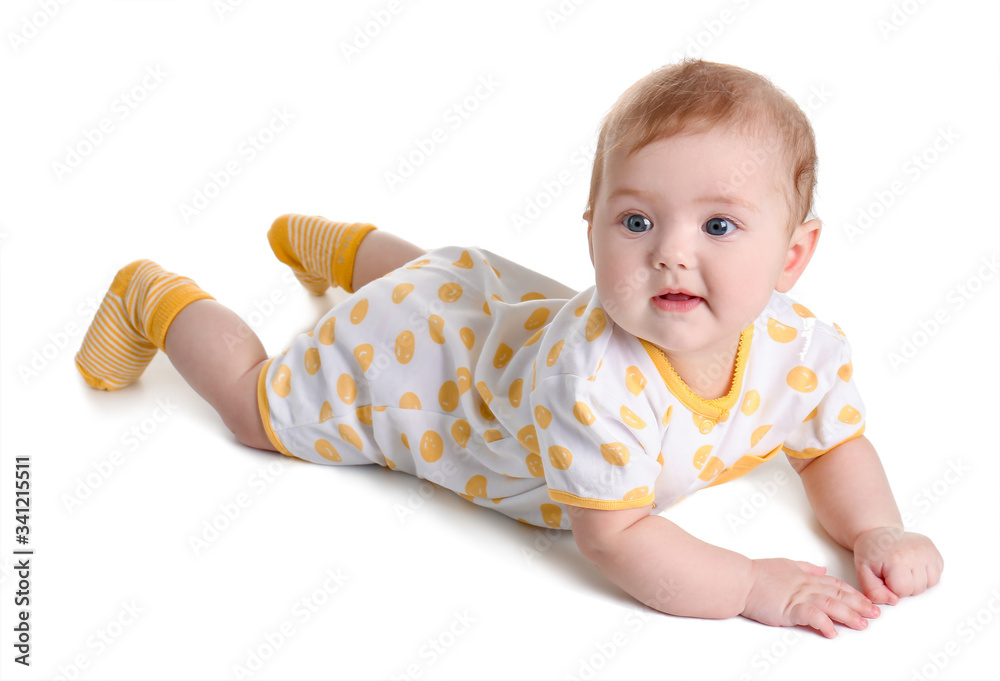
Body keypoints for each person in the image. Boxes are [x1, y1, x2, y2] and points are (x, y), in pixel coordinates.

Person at [75, 59, 942, 638]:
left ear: (793, 255)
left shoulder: (802, 346)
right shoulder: (596, 382)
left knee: (445, 282)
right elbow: (615, 535)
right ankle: (156, 298)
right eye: (636, 220)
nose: (673, 251)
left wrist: (874, 526)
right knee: (260, 406)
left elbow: (831, 440)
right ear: (593, 228)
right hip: (427, 374)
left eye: (719, 224)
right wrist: (755, 583)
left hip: (479, 306)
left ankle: (342, 251)